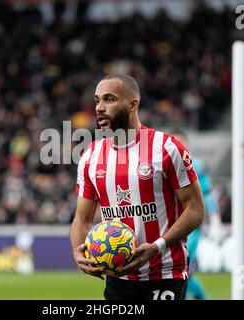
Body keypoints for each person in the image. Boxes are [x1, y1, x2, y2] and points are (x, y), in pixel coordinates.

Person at [69, 74, 205, 300]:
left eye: (109, 99)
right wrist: (77, 251)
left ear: (133, 104)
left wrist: (157, 246)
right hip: (117, 279)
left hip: (164, 274)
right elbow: (81, 219)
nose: (100, 108)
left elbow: (195, 210)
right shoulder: (90, 156)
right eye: (97, 101)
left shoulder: (167, 148)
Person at [173, 130, 225, 300]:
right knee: (177, 270)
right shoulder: (161, 166)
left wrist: (216, 221)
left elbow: (207, 193)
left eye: (181, 144)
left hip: (191, 225)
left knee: (183, 267)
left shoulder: (195, 165)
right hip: (170, 225)